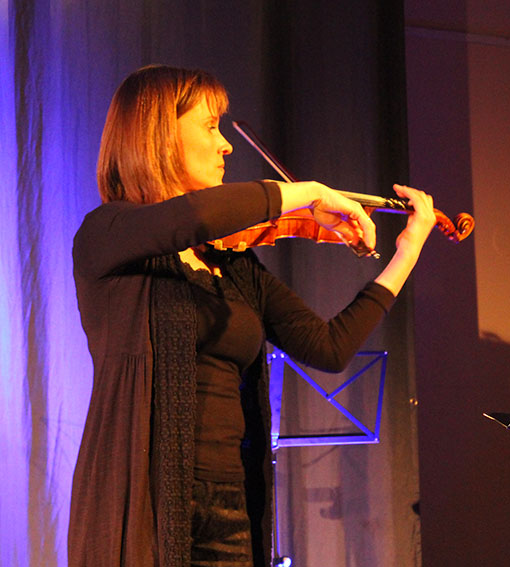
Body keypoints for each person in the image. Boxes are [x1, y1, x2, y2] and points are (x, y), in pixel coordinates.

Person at [68, 64, 436, 567]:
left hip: (233, 505)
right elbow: (191, 217)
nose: (226, 145)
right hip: (143, 500)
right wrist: (306, 192)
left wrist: (406, 253)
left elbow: (328, 348)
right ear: (158, 134)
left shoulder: (233, 265)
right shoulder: (107, 233)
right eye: (210, 125)